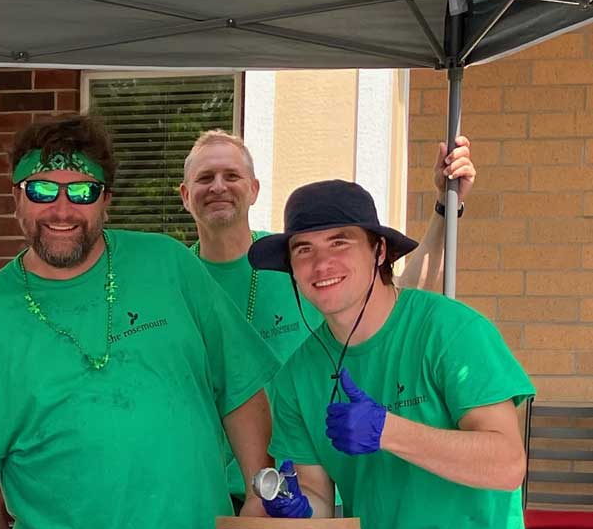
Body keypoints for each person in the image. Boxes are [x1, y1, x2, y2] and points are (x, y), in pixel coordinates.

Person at [0, 114, 279, 529]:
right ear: (17, 198)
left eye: (82, 191)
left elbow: (240, 384)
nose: (62, 209)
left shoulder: (169, 265)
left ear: (106, 200)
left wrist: (259, 489)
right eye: (42, 190)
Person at [250, 180, 533, 529]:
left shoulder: (449, 330)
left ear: (379, 251)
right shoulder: (297, 373)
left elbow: (507, 463)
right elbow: (318, 499)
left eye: (340, 242)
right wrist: (295, 509)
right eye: (304, 250)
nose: (321, 264)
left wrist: (388, 430)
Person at [180, 130, 477, 505]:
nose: (219, 187)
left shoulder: (302, 261)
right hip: (202, 492)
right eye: (205, 178)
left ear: (254, 189)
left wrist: (445, 209)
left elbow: (393, 297)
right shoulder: (174, 279)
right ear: (185, 195)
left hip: (311, 490)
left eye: (232, 176)